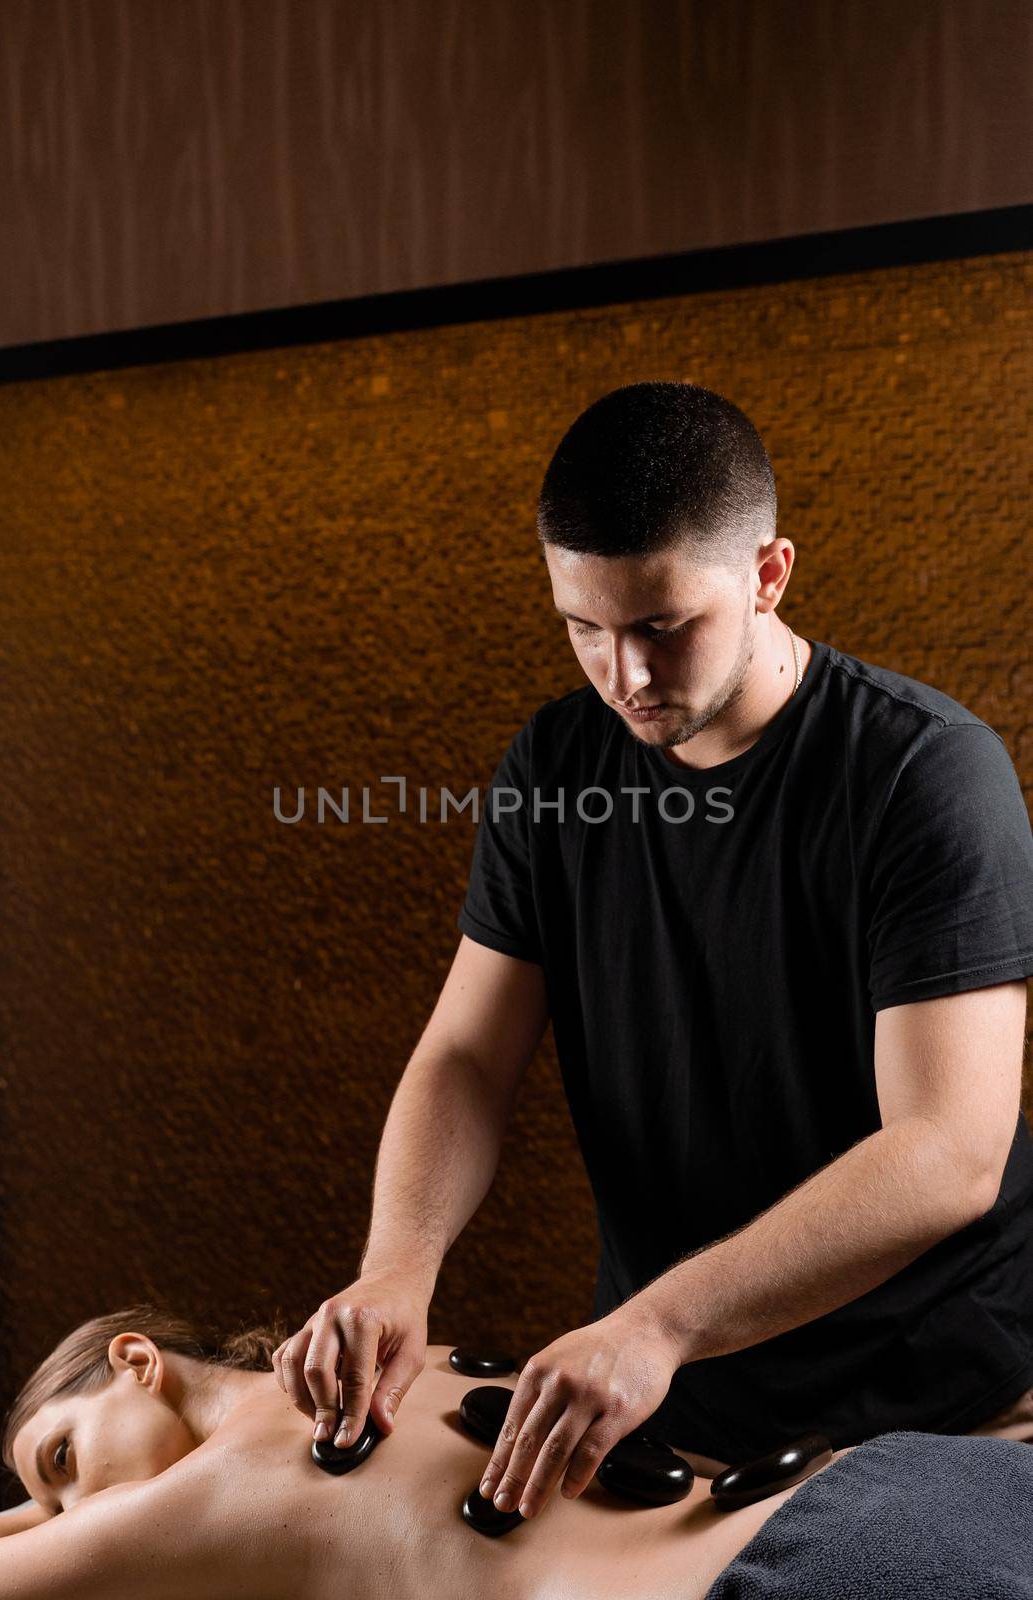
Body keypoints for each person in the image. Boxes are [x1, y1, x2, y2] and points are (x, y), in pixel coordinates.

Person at [274, 381, 1033, 1525]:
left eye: (660, 626)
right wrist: (398, 1266)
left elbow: (946, 1149)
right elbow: (468, 1058)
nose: (621, 673)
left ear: (767, 575)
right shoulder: (552, 768)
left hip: (950, 1402)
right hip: (673, 1410)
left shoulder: (924, 775)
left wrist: (659, 1321)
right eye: (583, 627)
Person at [0, 1306, 1033, 1600]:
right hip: (910, 1482)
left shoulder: (215, 1490)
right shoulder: (412, 1359)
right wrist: (45, 1505)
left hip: (809, 1577)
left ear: (135, 1359)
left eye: (60, 1461)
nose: (76, 1510)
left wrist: (36, 1526)